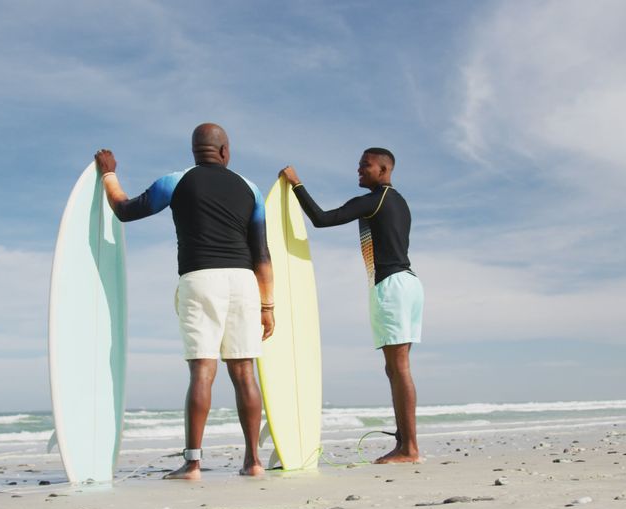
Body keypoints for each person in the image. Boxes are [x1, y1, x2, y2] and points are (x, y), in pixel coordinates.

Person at [94, 123, 274, 480]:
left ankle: (193, 463)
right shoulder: (251, 189)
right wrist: (268, 306)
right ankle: (253, 461)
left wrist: (109, 174)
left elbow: (124, 210)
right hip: (244, 282)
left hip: (199, 278)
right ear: (225, 151)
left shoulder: (175, 182)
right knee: (244, 372)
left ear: (195, 151)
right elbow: (262, 254)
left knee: (203, 371)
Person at [280, 148, 423, 463]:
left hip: (391, 286)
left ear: (384, 169)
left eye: (365, 165)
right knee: (396, 368)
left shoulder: (376, 199)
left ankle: (409, 448)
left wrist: (296, 184)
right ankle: (405, 442)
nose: (359, 170)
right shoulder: (399, 202)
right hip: (408, 284)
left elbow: (322, 219)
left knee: (398, 368)